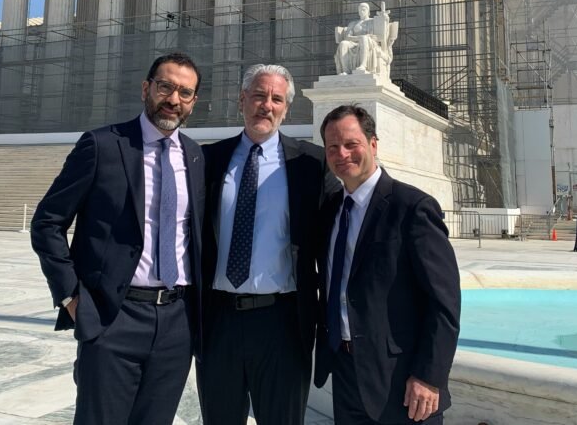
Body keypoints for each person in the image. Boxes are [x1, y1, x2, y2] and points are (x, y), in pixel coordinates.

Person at [31, 53, 206, 425]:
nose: (173, 99)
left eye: (185, 93)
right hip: (114, 317)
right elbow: (47, 223)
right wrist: (71, 298)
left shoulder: (194, 156)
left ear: (193, 102)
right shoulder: (102, 145)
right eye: (165, 87)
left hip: (176, 321)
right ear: (146, 88)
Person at [197, 64, 339, 425]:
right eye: (259, 95)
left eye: (277, 99)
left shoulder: (311, 164)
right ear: (242, 100)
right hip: (219, 320)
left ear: (286, 109)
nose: (267, 105)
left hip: (283, 324)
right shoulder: (209, 160)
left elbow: (342, 230)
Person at [315, 105, 460, 424]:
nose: (342, 154)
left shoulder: (412, 207)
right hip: (346, 374)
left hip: (402, 379)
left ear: (373, 144)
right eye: (333, 147)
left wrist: (428, 375)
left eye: (351, 144)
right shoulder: (330, 212)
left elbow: (444, 302)